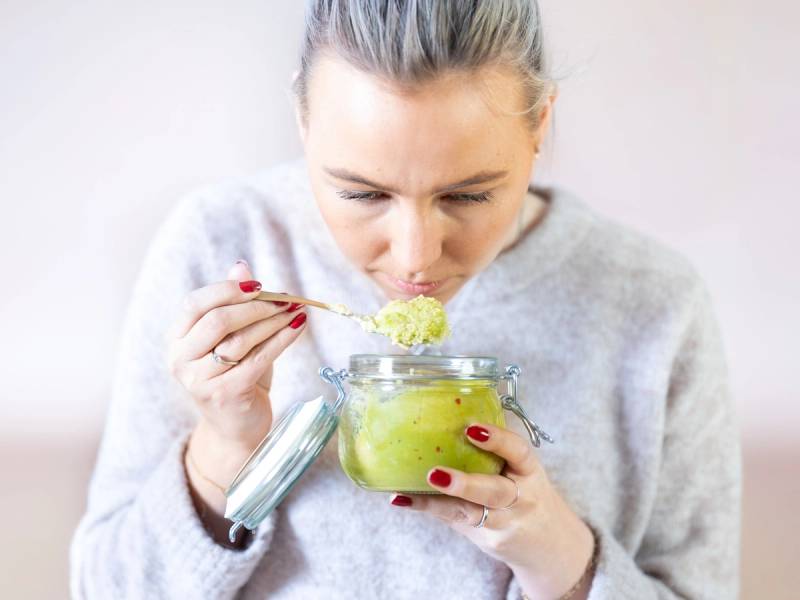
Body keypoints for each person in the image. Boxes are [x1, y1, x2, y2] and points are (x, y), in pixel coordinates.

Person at [69, 1, 741, 598]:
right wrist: (223, 448)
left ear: (540, 123)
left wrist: (560, 558)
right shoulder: (218, 242)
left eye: (468, 195)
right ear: (303, 118)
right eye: (363, 194)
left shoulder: (654, 304)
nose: (415, 256)